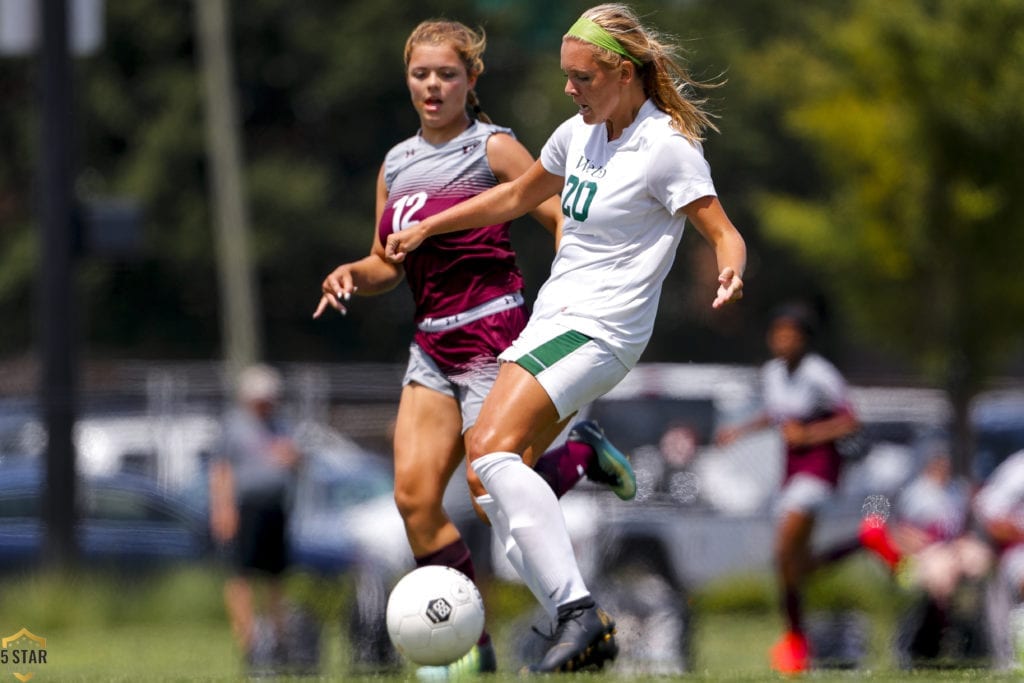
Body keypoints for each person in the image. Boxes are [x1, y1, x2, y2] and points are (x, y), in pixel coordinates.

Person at [383, 4, 746, 673]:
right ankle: (582, 587)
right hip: (554, 321)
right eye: (566, 76)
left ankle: (579, 615)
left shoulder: (665, 147)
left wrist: (729, 267)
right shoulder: (577, 136)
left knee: (491, 453)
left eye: (582, 77)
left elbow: (722, 229)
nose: (570, 89)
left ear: (622, 73)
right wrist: (432, 227)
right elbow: (514, 197)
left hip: (601, 326)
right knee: (490, 489)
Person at [312, 19, 637, 678]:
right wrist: (353, 272)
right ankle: (468, 646)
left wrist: (570, 303)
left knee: (490, 494)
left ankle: (579, 455)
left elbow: (564, 225)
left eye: (446, 75)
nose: (432, 87)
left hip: (494, 336)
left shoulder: (496, 149)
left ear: (471, 80)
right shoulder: (397, 163)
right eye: (420, 75)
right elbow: (387, 264)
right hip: (430, 345)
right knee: (413, 500)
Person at [716, 303, 858, 673]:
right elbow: (776, 415)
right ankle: (864, 541)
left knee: (783, 551)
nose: (781, 340)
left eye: (789, 334)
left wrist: (809, 433)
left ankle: (796, 640)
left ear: (805, 340)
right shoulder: (773, 373)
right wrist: (739, 431)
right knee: (792, 562)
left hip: (819, 468)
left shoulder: (819, 374)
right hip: (791, 470)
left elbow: (850, 421)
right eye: (777, 333)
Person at [209, 363, 302, 670]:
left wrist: (293, 458)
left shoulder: (281, 425)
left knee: (275, 576)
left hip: (276, 508)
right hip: (245, 509)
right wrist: (223, 509)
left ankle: (278, 641)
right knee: (242, 576)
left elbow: (296, 461)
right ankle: (249, 642)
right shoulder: (235, 426)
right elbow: (221, 470)